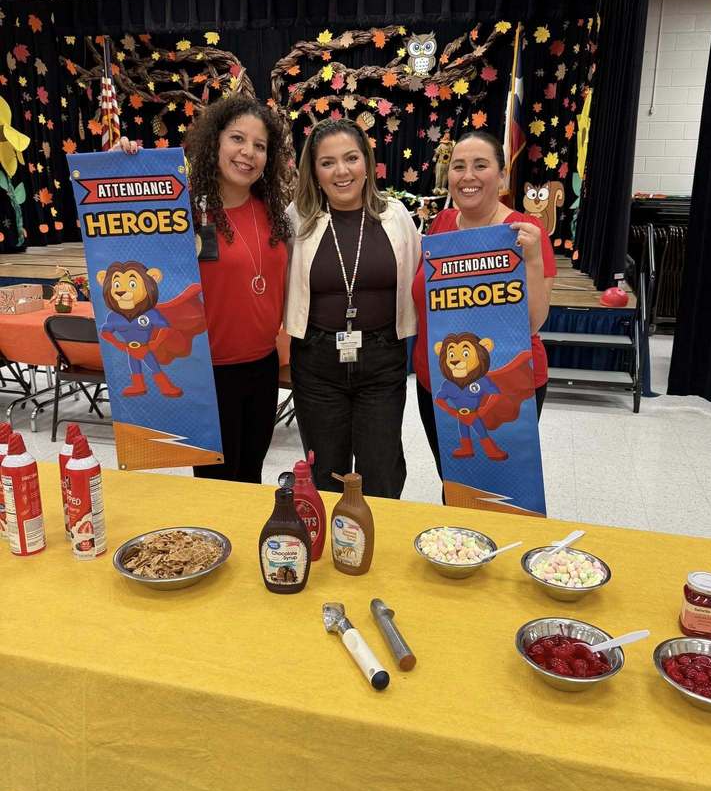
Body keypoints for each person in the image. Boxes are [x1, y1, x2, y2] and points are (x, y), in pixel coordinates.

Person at [115, 94, 293, 482]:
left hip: (262, 368)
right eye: (237, 139)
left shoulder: (275, 212)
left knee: (252, 476)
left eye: (260, 146)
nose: (248, 153)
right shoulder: (182, 211)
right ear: (214, 142)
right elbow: (127, 242)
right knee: (218, 484)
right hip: (208, 374)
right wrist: (118, 165)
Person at [284, 117, 421, 498]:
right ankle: (332, 546)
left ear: (367, 162)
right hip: (317, 360)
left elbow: (429, 274)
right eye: (327, 162)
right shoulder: (297, 219)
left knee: (382, 467)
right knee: (325, 468)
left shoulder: (395, 216)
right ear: (313, 170)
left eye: (351, 158)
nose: (341, 171)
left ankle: (377, 545)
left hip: (381, 357)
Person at [411, 130, 556, 481]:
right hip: (438, 385)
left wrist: (533, 258)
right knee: (455, 483)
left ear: (502, 175)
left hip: (506, 386)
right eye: (458, 166)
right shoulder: (441, 225)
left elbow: (533, 322)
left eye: (480, 165)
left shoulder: (526, 232)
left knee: (500, 490)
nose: (468, 176)